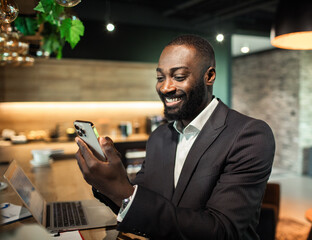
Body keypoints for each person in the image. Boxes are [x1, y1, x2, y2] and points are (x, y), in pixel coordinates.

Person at [75, 34, 275, 240]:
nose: (165, 87)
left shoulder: (249, 135)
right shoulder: (159, 136)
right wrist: (107, 183)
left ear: (210, 76)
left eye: (178, 77)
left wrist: (123, 192)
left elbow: (223, 230)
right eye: (160, 78)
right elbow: (141, 201)